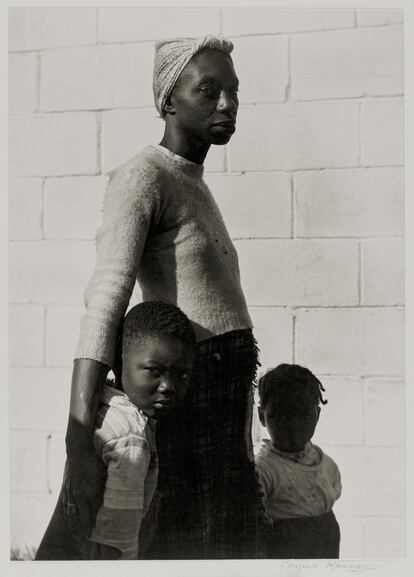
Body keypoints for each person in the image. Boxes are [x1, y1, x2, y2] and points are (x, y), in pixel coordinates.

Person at [63, 35, 265, 559]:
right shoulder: (142, 176)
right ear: (168, 100)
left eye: (234, 92)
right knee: (176, 542)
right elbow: (108, 293)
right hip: (185, 398)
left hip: (223, 396)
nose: (228, 103)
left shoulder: (191, 181)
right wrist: (78, 438)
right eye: (209, 90)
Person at [36, 301, 196, 560]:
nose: (168, 386)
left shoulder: (105, 407)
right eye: (154, 371)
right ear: (119, 364)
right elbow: (118, 540)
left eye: (183, 375)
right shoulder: (131, 437)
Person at [256, 364, 342, 559]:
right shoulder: (263, 470)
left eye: (303, 415)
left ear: (317, 416)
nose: (293, 425)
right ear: (262, 416)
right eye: (282, 415)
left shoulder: (327, 466)